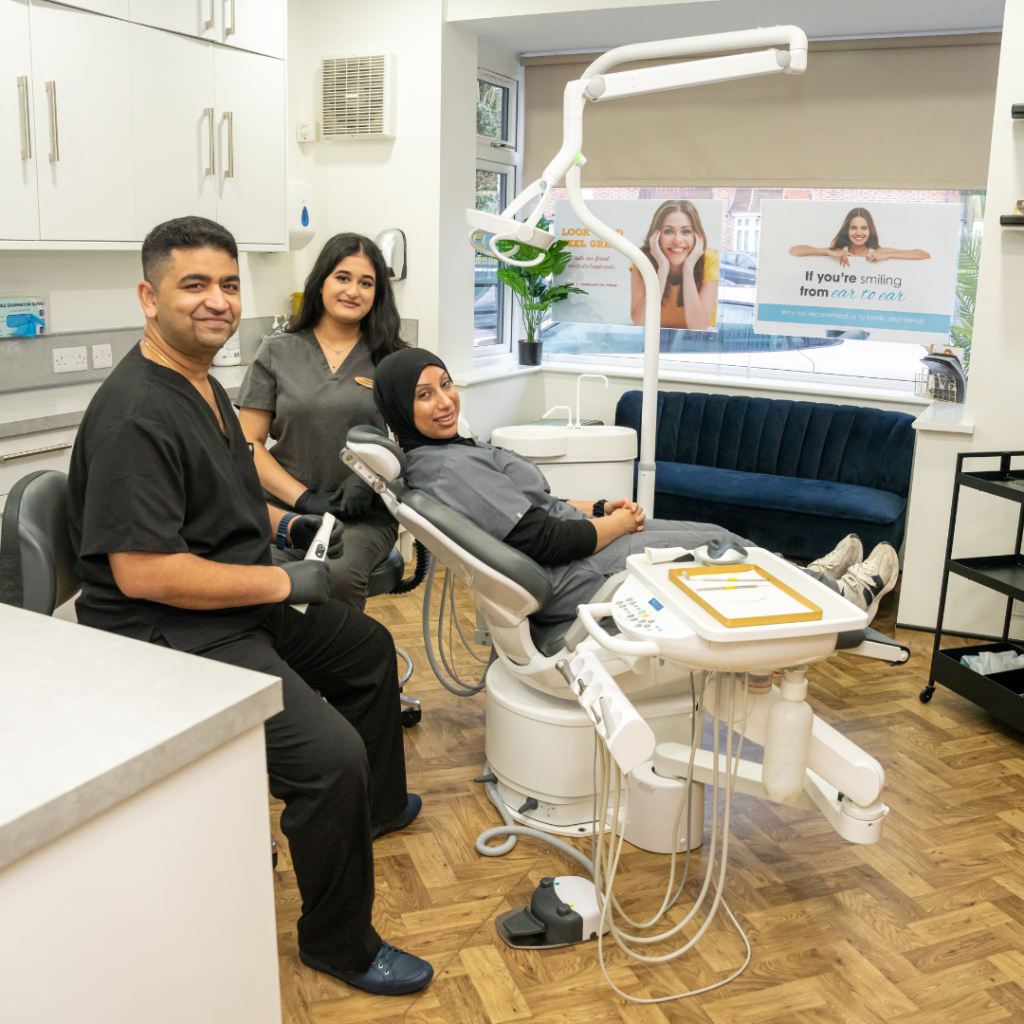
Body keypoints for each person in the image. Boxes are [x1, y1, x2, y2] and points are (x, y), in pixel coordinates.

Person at [66, 217, 432, 997]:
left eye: (229, 285)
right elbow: (142, 572)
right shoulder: (136, 412)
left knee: (365, 653)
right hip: (171, 630)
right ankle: (340, 942)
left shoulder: (203, 387)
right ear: (147, 296)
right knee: (329, 759)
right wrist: (289, 581)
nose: (217, 301)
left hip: (236, 596)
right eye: (193, 285)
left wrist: (294, 526)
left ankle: (375, 810)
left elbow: (231, 499)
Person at [371, 349, 899, 625]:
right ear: (400, 408)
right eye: (423, 395)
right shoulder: (445, 469)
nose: (444, 401)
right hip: (570, 575)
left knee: (716, 532)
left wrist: (597, 506)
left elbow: (535, 507)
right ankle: (845, 596)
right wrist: (615, 523)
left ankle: (804, 576)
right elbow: (543, 541)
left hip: (575, 549)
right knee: (722, 550)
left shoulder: (451, 451)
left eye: (445, 384)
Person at [236, 233, 406, 610]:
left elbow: (417, 447)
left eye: (367, 283)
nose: (353, 291)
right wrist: (304, 498)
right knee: (251, 573)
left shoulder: (392, 359)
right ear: (321, 283)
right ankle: (273, 664)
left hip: (362, 514)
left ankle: (344, 665)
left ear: (378, 294)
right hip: (281, 505)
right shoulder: (277, 351)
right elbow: (247, 445)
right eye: (342, 277)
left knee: (336, 575)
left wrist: (373, 480)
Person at [630, 200, 720, 331]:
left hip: (697, 344)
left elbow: (699, 327)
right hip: (653, 340)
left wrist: (688, 269)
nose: (677, 240)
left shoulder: (710, 258)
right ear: (656, 235)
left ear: (697, 236)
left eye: (686, 231)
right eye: (668, 231)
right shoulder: (642, 258)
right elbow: (640, 322)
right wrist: (663, 269)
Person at [789, 207, 931, 268]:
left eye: (864, 228)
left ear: (871, 230)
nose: (859, 233)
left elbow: (924, 254)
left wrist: (887, 255)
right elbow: (794, 251)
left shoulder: (879, 251)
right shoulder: (838, 252)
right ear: (847, 230)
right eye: (853, 228)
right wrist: (827, 251)